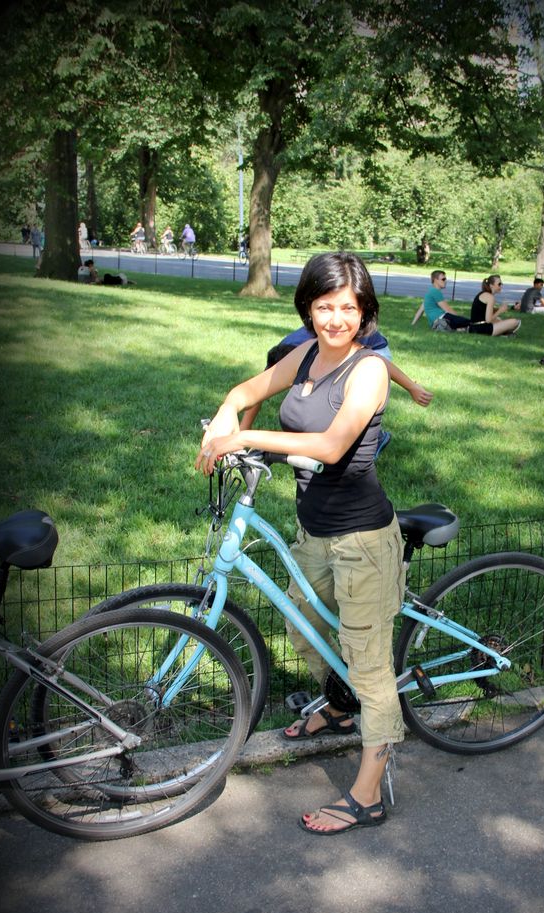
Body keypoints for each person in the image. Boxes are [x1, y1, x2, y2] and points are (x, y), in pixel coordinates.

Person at [196, 252, 405, 836]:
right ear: (308, 308)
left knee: (370, 665)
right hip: (315, 530)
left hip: (363, 540)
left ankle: (368, 795)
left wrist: (246, 438)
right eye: (324, 306)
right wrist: (226, 415)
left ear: (364, 312)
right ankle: (340, 708)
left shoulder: (369, 369)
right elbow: (247, 389)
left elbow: (333, 446)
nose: (336, 319)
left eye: (348, 308)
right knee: (302, 627)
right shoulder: (308, 353)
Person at [239, 323, 433, 460]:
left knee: (332, 402)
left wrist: (412, 387)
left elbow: (379, 362)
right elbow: (260, 391)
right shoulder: (286, 353)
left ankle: (374, 437)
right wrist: (241, 430)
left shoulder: (319, 348)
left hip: (375, 349)